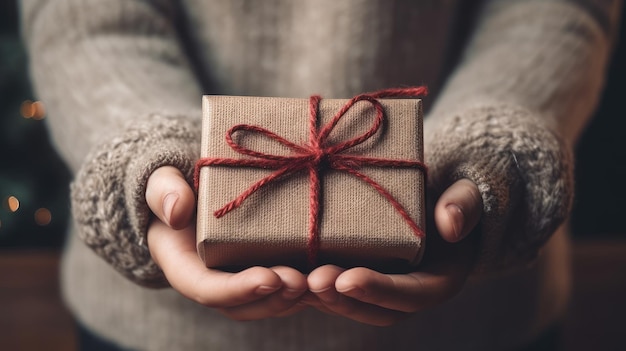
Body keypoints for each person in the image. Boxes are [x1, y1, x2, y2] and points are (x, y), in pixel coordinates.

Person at [21, 0, 621, 350]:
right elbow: (83, 16)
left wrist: (491, 153)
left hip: (477, 320)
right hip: (154, 331)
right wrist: (145, 153)